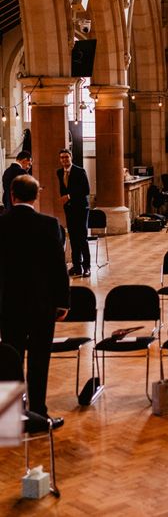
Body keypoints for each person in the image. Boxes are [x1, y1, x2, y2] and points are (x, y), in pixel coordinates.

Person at [0, 175, 69, 428]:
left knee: (10, 360)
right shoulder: (49, 225)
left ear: (11, 195)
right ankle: (39, 413)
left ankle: (10, 417)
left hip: (9, 306)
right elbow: (58, 267)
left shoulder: (1, 225)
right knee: (40, 360)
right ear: (36, 196)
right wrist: (63, 302)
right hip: (42, 305)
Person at [57, 148, 91, 277]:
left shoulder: (80, 171)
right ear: (60, 160)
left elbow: (86, 190)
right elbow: (62, 189)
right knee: (73, 238)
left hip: (82, 208)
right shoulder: (59, 172)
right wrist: (65, 199)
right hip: (69, 209)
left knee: (82, 238)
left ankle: (86, 267)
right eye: (62, 157)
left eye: (66, 157)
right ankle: (76, 266)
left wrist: (70, 196)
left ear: (71, 157)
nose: (64, 159)